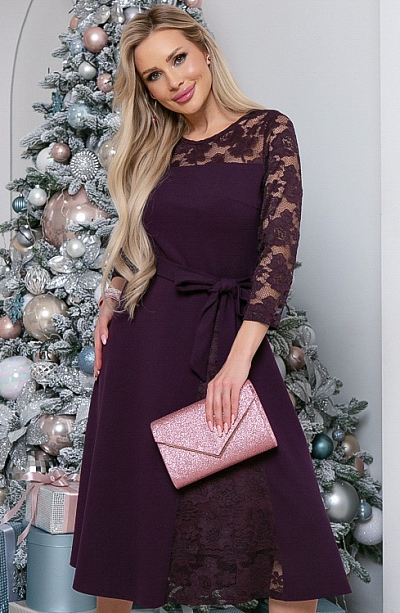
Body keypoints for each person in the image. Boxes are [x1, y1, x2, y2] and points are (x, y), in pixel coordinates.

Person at [70, 6, 351, 613]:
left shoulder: (268, 130)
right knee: (128, 537)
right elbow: (137, 243)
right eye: (154, 74)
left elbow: (278, 250)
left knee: (288, 536)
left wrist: (238, 361)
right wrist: (110, 298)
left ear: (204, 51)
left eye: (178, 59)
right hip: (147, 349)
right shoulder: (153, 149)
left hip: (233, 337)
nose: (173, 80)